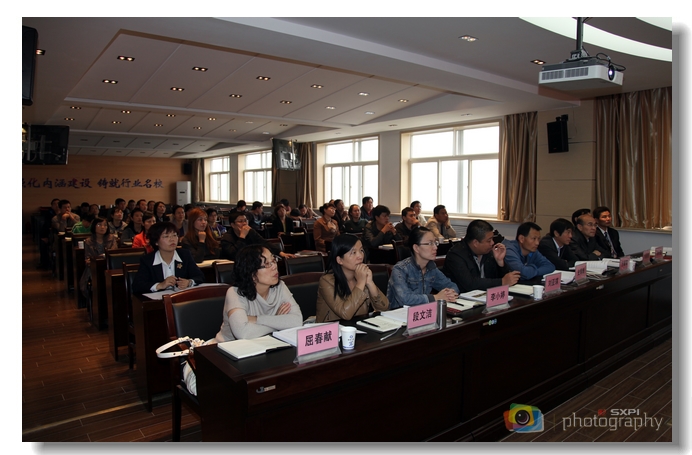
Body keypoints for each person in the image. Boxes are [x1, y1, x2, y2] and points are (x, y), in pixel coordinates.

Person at [215, 245, 303, 342]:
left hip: (266, 345)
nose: (274, 267)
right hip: (226, 347)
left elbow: (297, 321)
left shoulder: (280, 287)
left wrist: (256, 319)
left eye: (273, 260)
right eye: (267, 264)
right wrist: (279, 322)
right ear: (252, 273)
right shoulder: (235, 293)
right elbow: (243, 333)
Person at [316, 235, 389, 322]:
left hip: (359, 326)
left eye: (361, 250)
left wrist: (370, 283)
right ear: (339, 260)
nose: (360, 256)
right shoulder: (327, 281)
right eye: (353, 253)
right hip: (333, 328)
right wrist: (360, 283)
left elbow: (384, 308)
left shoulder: (360, 276)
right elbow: (345, 314)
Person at [387, 227, 459, 309]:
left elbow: (452, 286)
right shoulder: (400, 269)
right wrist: (436, 297)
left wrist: (449, 293)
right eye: (430, 243)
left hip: (422, 312)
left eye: (435, 243)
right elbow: (404, 299)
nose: (435, 247)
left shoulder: (431, 267)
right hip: (398, 314)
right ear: (416, 248)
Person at [444, 220, 519, 292]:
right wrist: (501, 282)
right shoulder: (456, 255)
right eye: (489, 240)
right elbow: (470, 284)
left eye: (492, 239)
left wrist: (500, 263)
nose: (492, 243)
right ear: (475, 243)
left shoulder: (488, 252)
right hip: (462, 297)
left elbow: (504, 279)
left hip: (485, 295)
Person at [132, 222, 204, 294]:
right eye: (166, 236)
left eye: (174, 235)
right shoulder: (148, 260)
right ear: (156, 242)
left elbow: (200, 276)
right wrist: (160, 285)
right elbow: (137, 286)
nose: (172, 239)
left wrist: (189, 282)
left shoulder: (185, 255)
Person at [220, 211, 294, 261]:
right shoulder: (226, 238)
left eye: (245, 220)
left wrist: (280, 253)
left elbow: (263, 242)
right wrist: (242, 237)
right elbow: (234, 255)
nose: (244, 223)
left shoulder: (250, 232)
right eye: (240, 221)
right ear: (232, 225)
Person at [79, 216, 118, 302]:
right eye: (99, 225)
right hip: (94, 269)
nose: (103, 227)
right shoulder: (88, 241)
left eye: (105, 225)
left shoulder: (112, 238)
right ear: (94, 226)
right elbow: (88, 259)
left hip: (109, 267)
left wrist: (99, 257)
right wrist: (93, 260)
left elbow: (113, 254)